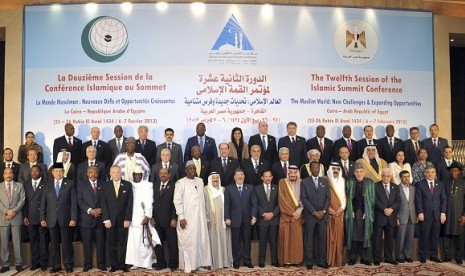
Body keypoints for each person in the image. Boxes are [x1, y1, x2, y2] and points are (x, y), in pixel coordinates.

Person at [173, 160, 212, 273]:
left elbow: (202, 201)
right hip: (187, 218)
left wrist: (206, 217)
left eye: (194, 168)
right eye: (190, 168)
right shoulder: (180, 183)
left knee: (200, 241)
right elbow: (177, 201)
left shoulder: (200, 181)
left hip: (200, 218)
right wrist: (181, 217)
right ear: (186, 170)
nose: (192, 170)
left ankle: (198, 264)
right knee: (188, 242)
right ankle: (188, 265)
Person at [40, 163, 77, 273]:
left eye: (61, 171)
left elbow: (73, 203)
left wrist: (73, 218)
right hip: (51, 219)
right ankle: (56, 265)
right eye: (56, 171)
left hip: (66, 219)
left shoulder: (70, 183)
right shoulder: (47, 184)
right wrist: (42, 218)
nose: (58, 173)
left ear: (63, 172)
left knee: (67, 243)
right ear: (52, 173)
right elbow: (43, 203)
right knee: (54, 244)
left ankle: (68, 264)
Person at [126, 166, 160, 270]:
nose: (137, 176)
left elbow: (150, 201)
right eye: (135, 175)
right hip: (132, 216)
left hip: (144, 214)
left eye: (139, 175)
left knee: (146, 240)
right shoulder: (129, 185)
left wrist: (148, 216)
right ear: (133, 175)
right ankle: (136, 262)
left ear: (142, 175)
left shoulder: (148, 185)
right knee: (134, 240)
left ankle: (147, 263)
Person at [101, 165, 133, 272]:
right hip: (110, 220)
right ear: (110, 173)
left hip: (123, 220)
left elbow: (130, 203)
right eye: (113, 172)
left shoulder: (128, 185)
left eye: (118, 172)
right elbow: (103, 203)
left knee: (123, 243)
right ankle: (114, 265)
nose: (116, 174)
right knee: (111, 243)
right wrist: (106, 219)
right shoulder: (105, 186)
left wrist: (128, 219)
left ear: (121, 173)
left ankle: (122, 265)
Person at [224, 168, 257, 269]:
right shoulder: (229, 189)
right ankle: (236, 261)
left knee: (247, 241)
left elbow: (254, 204)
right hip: (234, 220)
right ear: (234, 177)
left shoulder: (250, 188)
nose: (240, 176)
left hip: (247, 220)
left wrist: (254, 216)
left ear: (244, 177)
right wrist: (227, 217)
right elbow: (227, 205)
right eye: (238, 175)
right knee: (236, 242)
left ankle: (247, 261)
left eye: (241, 175)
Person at [301, 161, 330, 270]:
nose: (316, 170)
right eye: (314, 168)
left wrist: (323, 211)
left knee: (322, 239)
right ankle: (309, 262)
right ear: (310, 169)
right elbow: (303, 198)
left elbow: (328, 198)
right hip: (310, 216)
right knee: (309, 240)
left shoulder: (324, 181)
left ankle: (321, 261)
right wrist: (313, 211)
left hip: (323, 216)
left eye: (318, 168)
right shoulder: (304, 182)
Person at [76, 166, 106, 272]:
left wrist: (101, 209)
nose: (93, 174)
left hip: (100, 218)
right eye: (91, 172)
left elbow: (106, 199)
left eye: (95, 172)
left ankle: (101, 264)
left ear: (98, 173)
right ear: (87, 173)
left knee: (101, 243)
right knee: (87, 244)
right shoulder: (81, 184)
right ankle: (87, 264)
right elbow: (79, 201)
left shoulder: (103, 184)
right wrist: (90, 210)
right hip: (86, 218)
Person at [415, 165, 447, 263]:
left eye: (432, 172)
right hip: (425, 215)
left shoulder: (440, 184)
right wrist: (420, 212)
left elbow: (444, 200)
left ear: (435, 173)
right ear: (425, 173)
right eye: (428, 172)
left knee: (435, 236)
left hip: (437, 215)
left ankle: (433, 255)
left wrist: (443, 213)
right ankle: (423, 256)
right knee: (424, 235)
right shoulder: (420, 184)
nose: (430, 174)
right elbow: (418, 200)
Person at [345, 163, 375, 266]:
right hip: (352, 212)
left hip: (366, 213)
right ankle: (352, 257)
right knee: (353, 234)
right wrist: (350, 210)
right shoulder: (349, 183)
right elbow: (347, 198)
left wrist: (367, 211)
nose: (359, 173)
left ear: (364, 172)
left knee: (364, 234)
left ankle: (365, 257)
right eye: (357, 172)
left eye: (361, 171)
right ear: (354, 173)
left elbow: (373, 199)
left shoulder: (370, 183)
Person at [204, 172, 233, 270]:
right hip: (211, 220)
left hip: (223, 220)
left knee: (224, 239)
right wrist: (206, 218)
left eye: (217, 178)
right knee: (213, 240)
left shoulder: (223, 190)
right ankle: (214, 263)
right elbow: (203, 205)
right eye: (213, 178)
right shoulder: (206, 190)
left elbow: (228, 204)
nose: (215, 180)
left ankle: (225, 262)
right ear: (210, 179)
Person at [23, 165, 49, 271]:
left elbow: (48, 202)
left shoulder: (46, 183)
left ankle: (43, 263)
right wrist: (25, 216)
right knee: (33, 241)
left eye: (37, 171)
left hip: (42, 216)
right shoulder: (26, 184)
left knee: (43, 241)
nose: (34, 173)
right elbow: (25, 202)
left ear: (41, 172)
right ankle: (35, 262)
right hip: (31, 216)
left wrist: (45, 217)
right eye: (32, 171)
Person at [373, 168, 400, 266]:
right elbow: (375, 200)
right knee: (377, 239)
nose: (386, 178)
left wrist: (391, 209)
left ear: (391, 176)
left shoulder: (395, 187)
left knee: (389, 239)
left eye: (388, 176)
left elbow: (398, 201)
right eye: (384, 175)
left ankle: (388, 258)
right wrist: (384, 209)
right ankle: (376, 258)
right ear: (381, 176)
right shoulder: (375, 185)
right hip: (380, 215)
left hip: (391, 217)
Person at [0, 167, 25, 273]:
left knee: (17, 242)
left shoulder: (19, 186)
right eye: (6, 173)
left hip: (16, 217)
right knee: (4, 243)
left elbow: (22, 200)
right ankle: (5, 264)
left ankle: (18, 263)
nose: (8, 175)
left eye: (10, 173)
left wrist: (13, 211)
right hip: (3, 218)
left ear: (13, 175)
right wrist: (6, 212)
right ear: (3, 175)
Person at [153, 168, 178, 271]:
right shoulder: (154, 186)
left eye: (165, 173)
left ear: (169, 175)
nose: (162, 175)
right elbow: (152, 202)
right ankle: (161, 263)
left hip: (169, 220)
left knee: (172, 244)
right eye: (161, 173)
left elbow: (175, 203)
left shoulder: (174, 186)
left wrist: (173, 218)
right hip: (157, 220)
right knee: (158, 243)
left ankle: (173, 264)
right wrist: (152, 217)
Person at [277, 165, 304, 266]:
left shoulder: (302, 183)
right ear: (288, 173)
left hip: (298, 215)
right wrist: (292, 213)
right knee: (286, 238)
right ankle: (286, 261)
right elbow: (282, 199)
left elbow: (304, 199)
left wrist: (299, 212)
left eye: (294, 173)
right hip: (286, 215)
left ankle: (296, 260)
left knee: (296, 239)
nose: (293, 175)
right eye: (290, 173)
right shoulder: (282, 182)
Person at [254, 169, 279, 268]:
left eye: (269, 176)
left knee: (274, 241)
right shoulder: (257, 189)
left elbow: (278, 204)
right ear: (262, 178)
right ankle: (261, 261)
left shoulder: (276, 188)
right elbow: (256, 204)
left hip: (274, 219)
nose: (268, 178)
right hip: (262, 220)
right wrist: (264, 214)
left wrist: (273, 214)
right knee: (262, 241)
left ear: (272, 177)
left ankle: (274, 260)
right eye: (266, 176)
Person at [442, 162, 465, 263]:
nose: (453, 172)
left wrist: (464, 215)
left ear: (460, 172)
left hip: (460, 214)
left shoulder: (463, 182)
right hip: (447, 213)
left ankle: (458, 256)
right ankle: (447, 256)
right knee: (447, 234)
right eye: (451, 170)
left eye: (456, 170)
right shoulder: (445, 182)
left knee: (460, 235)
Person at [325, 163, 346, 267]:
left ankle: (338, 260)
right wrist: (328, 209)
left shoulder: (343, 181)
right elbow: (322, 196)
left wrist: (341, 208)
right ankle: (329, 260)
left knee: (339, 237)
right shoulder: (325, 180)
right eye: (334, 168)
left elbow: (344, 197)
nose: (336, 170)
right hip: (329, 214)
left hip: (339, 213)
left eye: (338, 168)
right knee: (330, 237)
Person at [395, 170, 416, 263]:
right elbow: (394, 203)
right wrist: (396, 217)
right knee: (400, 238)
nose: (406, 178)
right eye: (404, 177)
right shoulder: (396, 188)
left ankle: (408, 255)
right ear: (400, 178)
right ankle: (399, 256)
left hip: (412, 216)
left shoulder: (413, 188)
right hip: (401, 216)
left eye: (408, 176)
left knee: (410, 238)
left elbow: (415, 202)